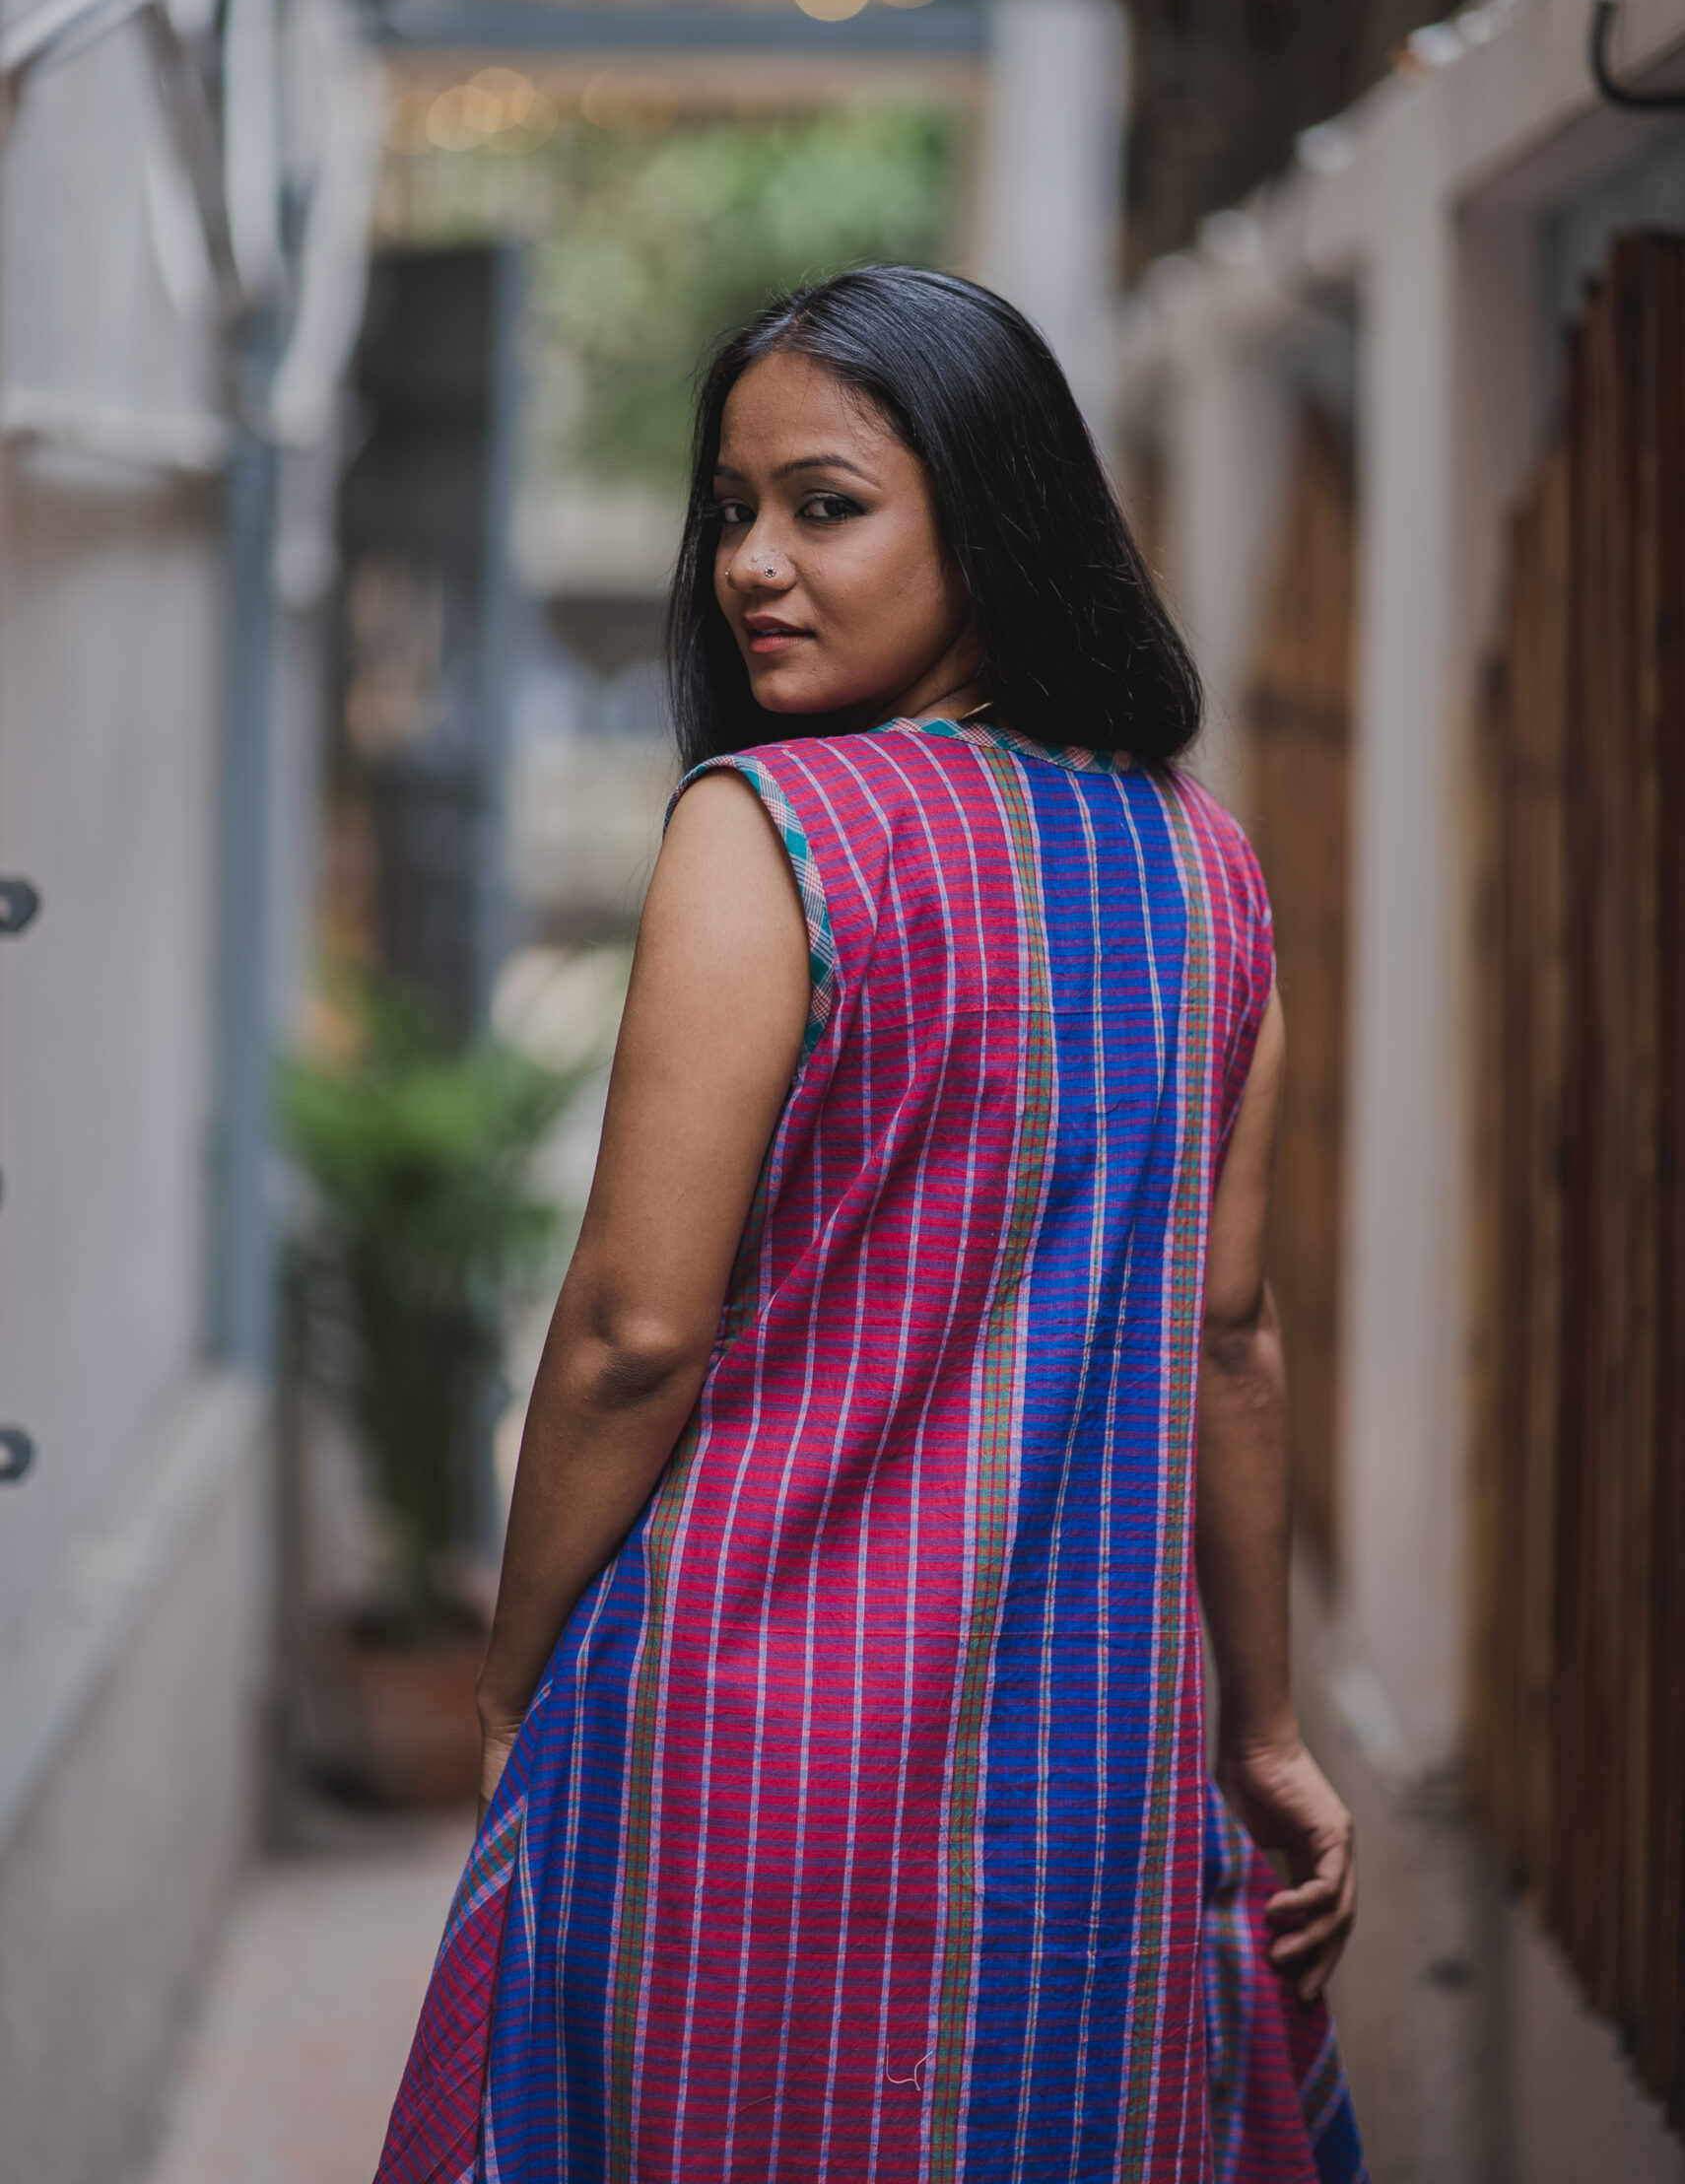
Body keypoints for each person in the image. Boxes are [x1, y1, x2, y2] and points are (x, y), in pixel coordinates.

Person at [375, 267, 1364, 2184]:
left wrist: (509, 1683)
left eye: (822, 506)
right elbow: (1228, 1339)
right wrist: (1264, 1733)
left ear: (993, 520)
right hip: (1089, 1772)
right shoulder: (1208, 869)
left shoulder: (771, 830)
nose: (752, 562)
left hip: (749, 1737)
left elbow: (631, 1333)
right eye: (730, 510)